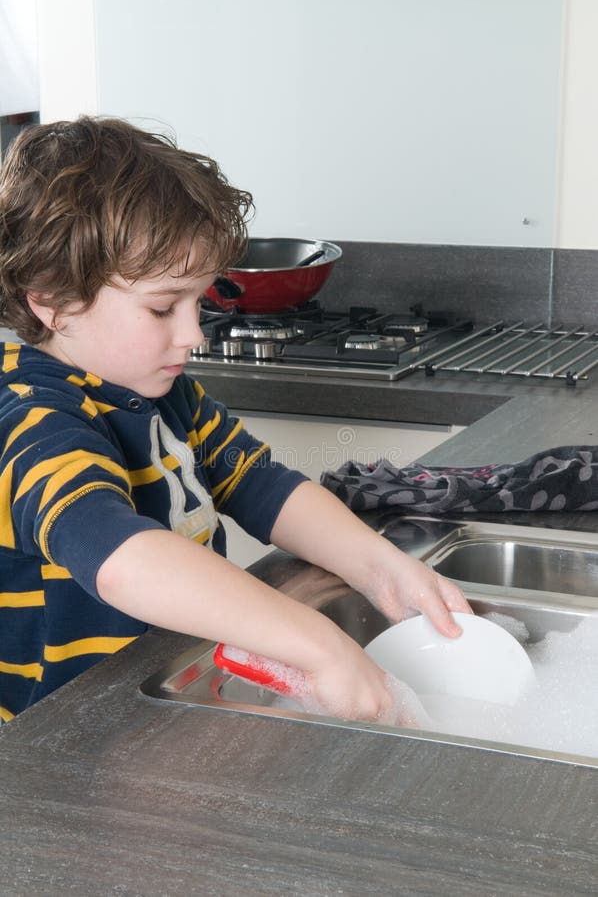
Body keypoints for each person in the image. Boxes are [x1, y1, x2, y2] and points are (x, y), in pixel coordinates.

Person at [0, 116, 471, 725]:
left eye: (199, 301)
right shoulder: (32, 419)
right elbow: (124, 562)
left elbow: (260, 484)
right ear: (54, 302)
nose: (193, 333)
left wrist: (381, 567)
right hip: (63, 737)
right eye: (163, 308)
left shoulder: (164, 394)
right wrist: (319, 644)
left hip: (156, 695)